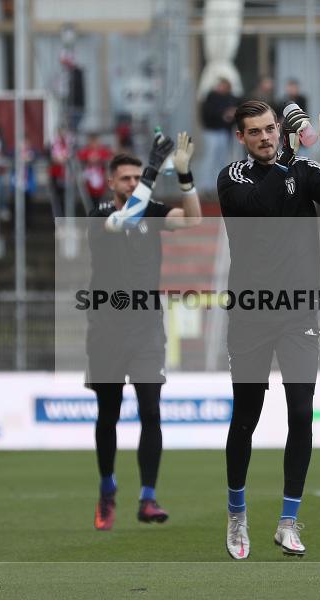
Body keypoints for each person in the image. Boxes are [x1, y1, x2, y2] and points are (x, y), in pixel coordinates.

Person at [217, 97, 320, 559]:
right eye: (255, 131)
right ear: (241, 138)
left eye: (271, 128)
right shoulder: (233, 178)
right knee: (246, 417)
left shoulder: (301, 168)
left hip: (299, 313)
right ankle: (237, 516)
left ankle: (288, 521)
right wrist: (291, 161)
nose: (266, 137)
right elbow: (259, 206)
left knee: (301, 413)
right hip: (252, 313)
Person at [87, 134, 203, 532]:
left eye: (138, 176)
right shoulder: (99, 213)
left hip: (145, 328)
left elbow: (192, 219)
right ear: (110, 182)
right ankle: (107, 488)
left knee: (151, 411)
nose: (133, 183)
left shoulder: (150, 208)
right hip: (105, 328)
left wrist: (184, 177)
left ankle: (148, 497)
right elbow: (125, 220)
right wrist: (154, 170)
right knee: (109, 415)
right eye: (126, 178)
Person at [199, 78, 239, 193]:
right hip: (212, 131)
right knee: (210, 158)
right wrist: (223, 114)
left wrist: (232, 113)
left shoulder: (231, 98)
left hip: (225, 132)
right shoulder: (211, 97)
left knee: (222, 160)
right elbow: (207, 113)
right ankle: (206, 185)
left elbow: (238, 110)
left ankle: (219, 184)